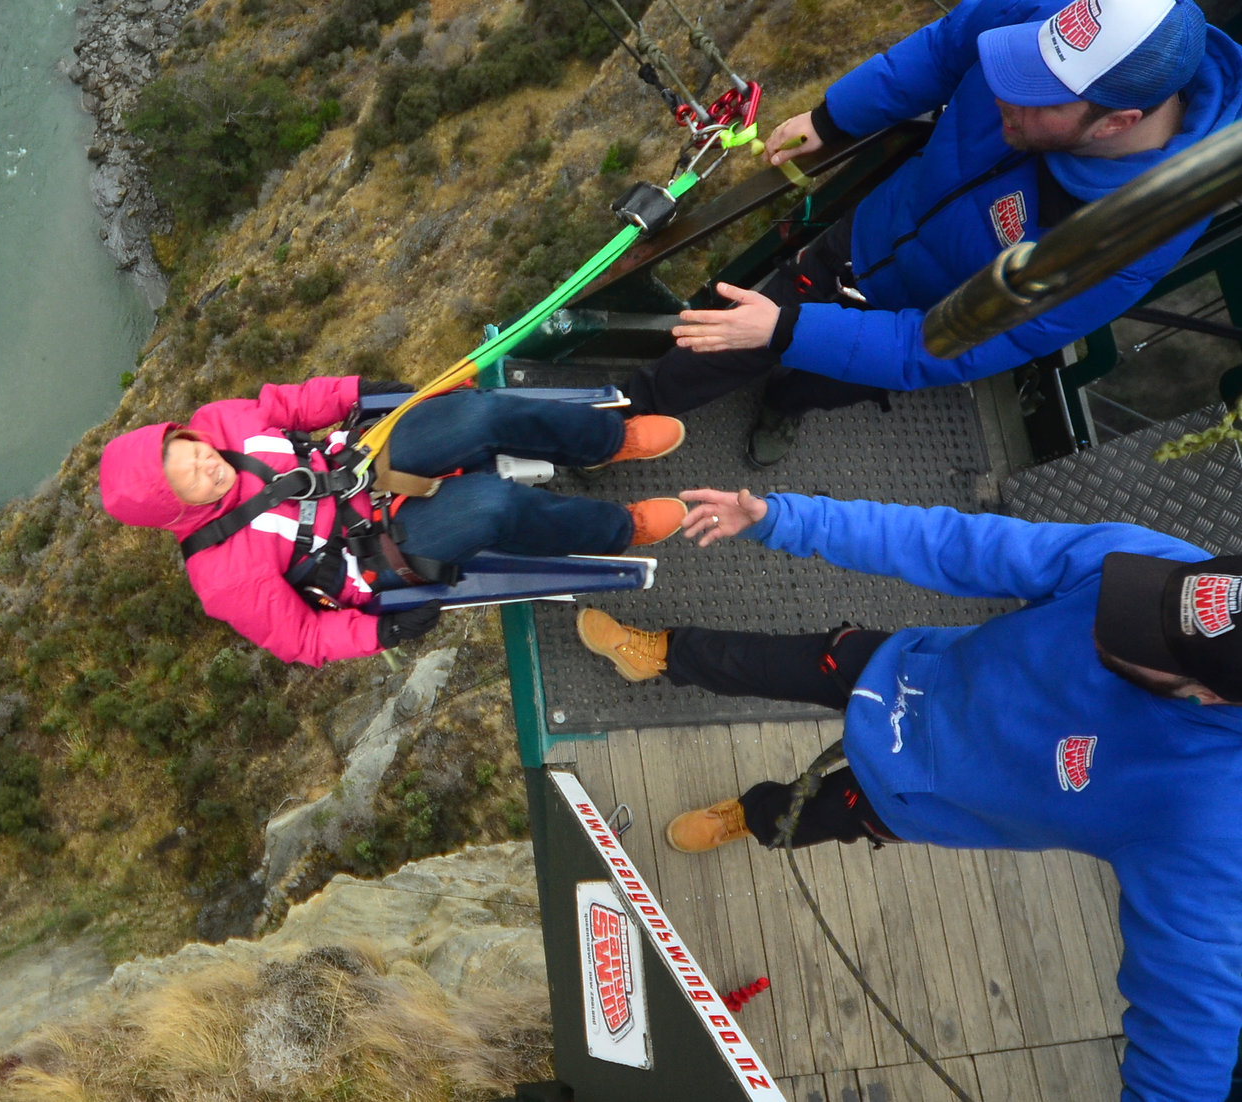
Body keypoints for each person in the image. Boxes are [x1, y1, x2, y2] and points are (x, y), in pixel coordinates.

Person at [574, 487, 1242, 1098]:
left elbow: (1190, 1032)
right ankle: (657, 653)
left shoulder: (1209, 819)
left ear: (1210, 693)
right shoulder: (1160, 575)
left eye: (1145, 638)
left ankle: (748, 818)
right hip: (902, 673)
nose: (1119, 612)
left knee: (801, 819)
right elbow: (960, 543)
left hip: (916, 796)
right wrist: (784, 519)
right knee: (761, 660)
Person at [623, 0, 1242, 467]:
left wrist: (789, 330)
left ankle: (787, 403)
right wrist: (835, 115)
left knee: (829, 373)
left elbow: (948, 347)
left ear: (1117, 124)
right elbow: (949, 47)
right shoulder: (1065, 21)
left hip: (930, 313)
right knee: (738, 335)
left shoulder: (1123, 241)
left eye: (1036, 97)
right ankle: (630, 411)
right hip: (869, 234)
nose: (1003, 91)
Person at [97, 376, 688, 667]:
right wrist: (379, 634)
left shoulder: (222, 422)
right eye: (192, 478)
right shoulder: (223, 576)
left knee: (476, 416)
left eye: (195, 449)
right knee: (491, 507)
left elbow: (292, 405)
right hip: (374, 550)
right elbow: (302, 639)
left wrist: (355, 391)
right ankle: (620, 528)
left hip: (359, 460)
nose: (208, 464)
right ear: (177, 508)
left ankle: (608, 440)